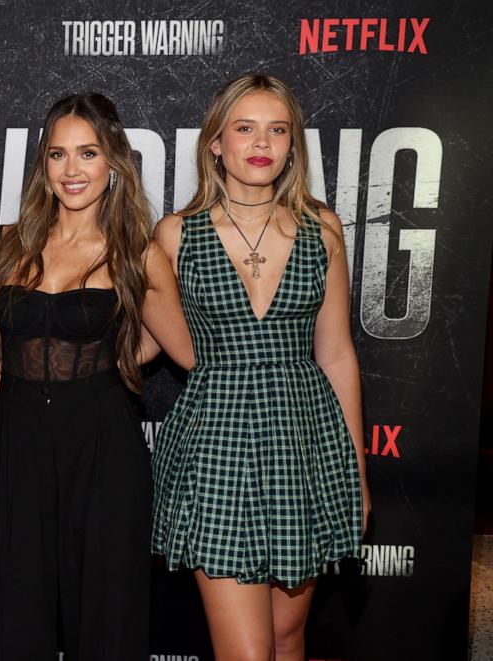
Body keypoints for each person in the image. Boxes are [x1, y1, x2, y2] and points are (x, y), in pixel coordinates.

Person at [151, 73, 371, 661]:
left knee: (285, 637)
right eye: (245, 128)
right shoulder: (176, 235)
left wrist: (356, 470)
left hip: (305, 446)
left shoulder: (322, 228)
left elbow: (336, 353)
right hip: (217, 447)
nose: (261, 143)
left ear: (292, 145)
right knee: (247, 653)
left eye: (277, 130)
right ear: (216, 142)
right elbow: (148, 344)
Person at [0, 92, 192, 660]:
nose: (71, 170)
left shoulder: (134, 255)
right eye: (57, 154)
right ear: (42, 166)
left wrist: (106, 360)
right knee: (15, 612)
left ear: (113, 161)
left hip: (103, 442)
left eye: (88, 153)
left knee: (107, 615)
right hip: (16, 441)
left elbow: (187, 351)